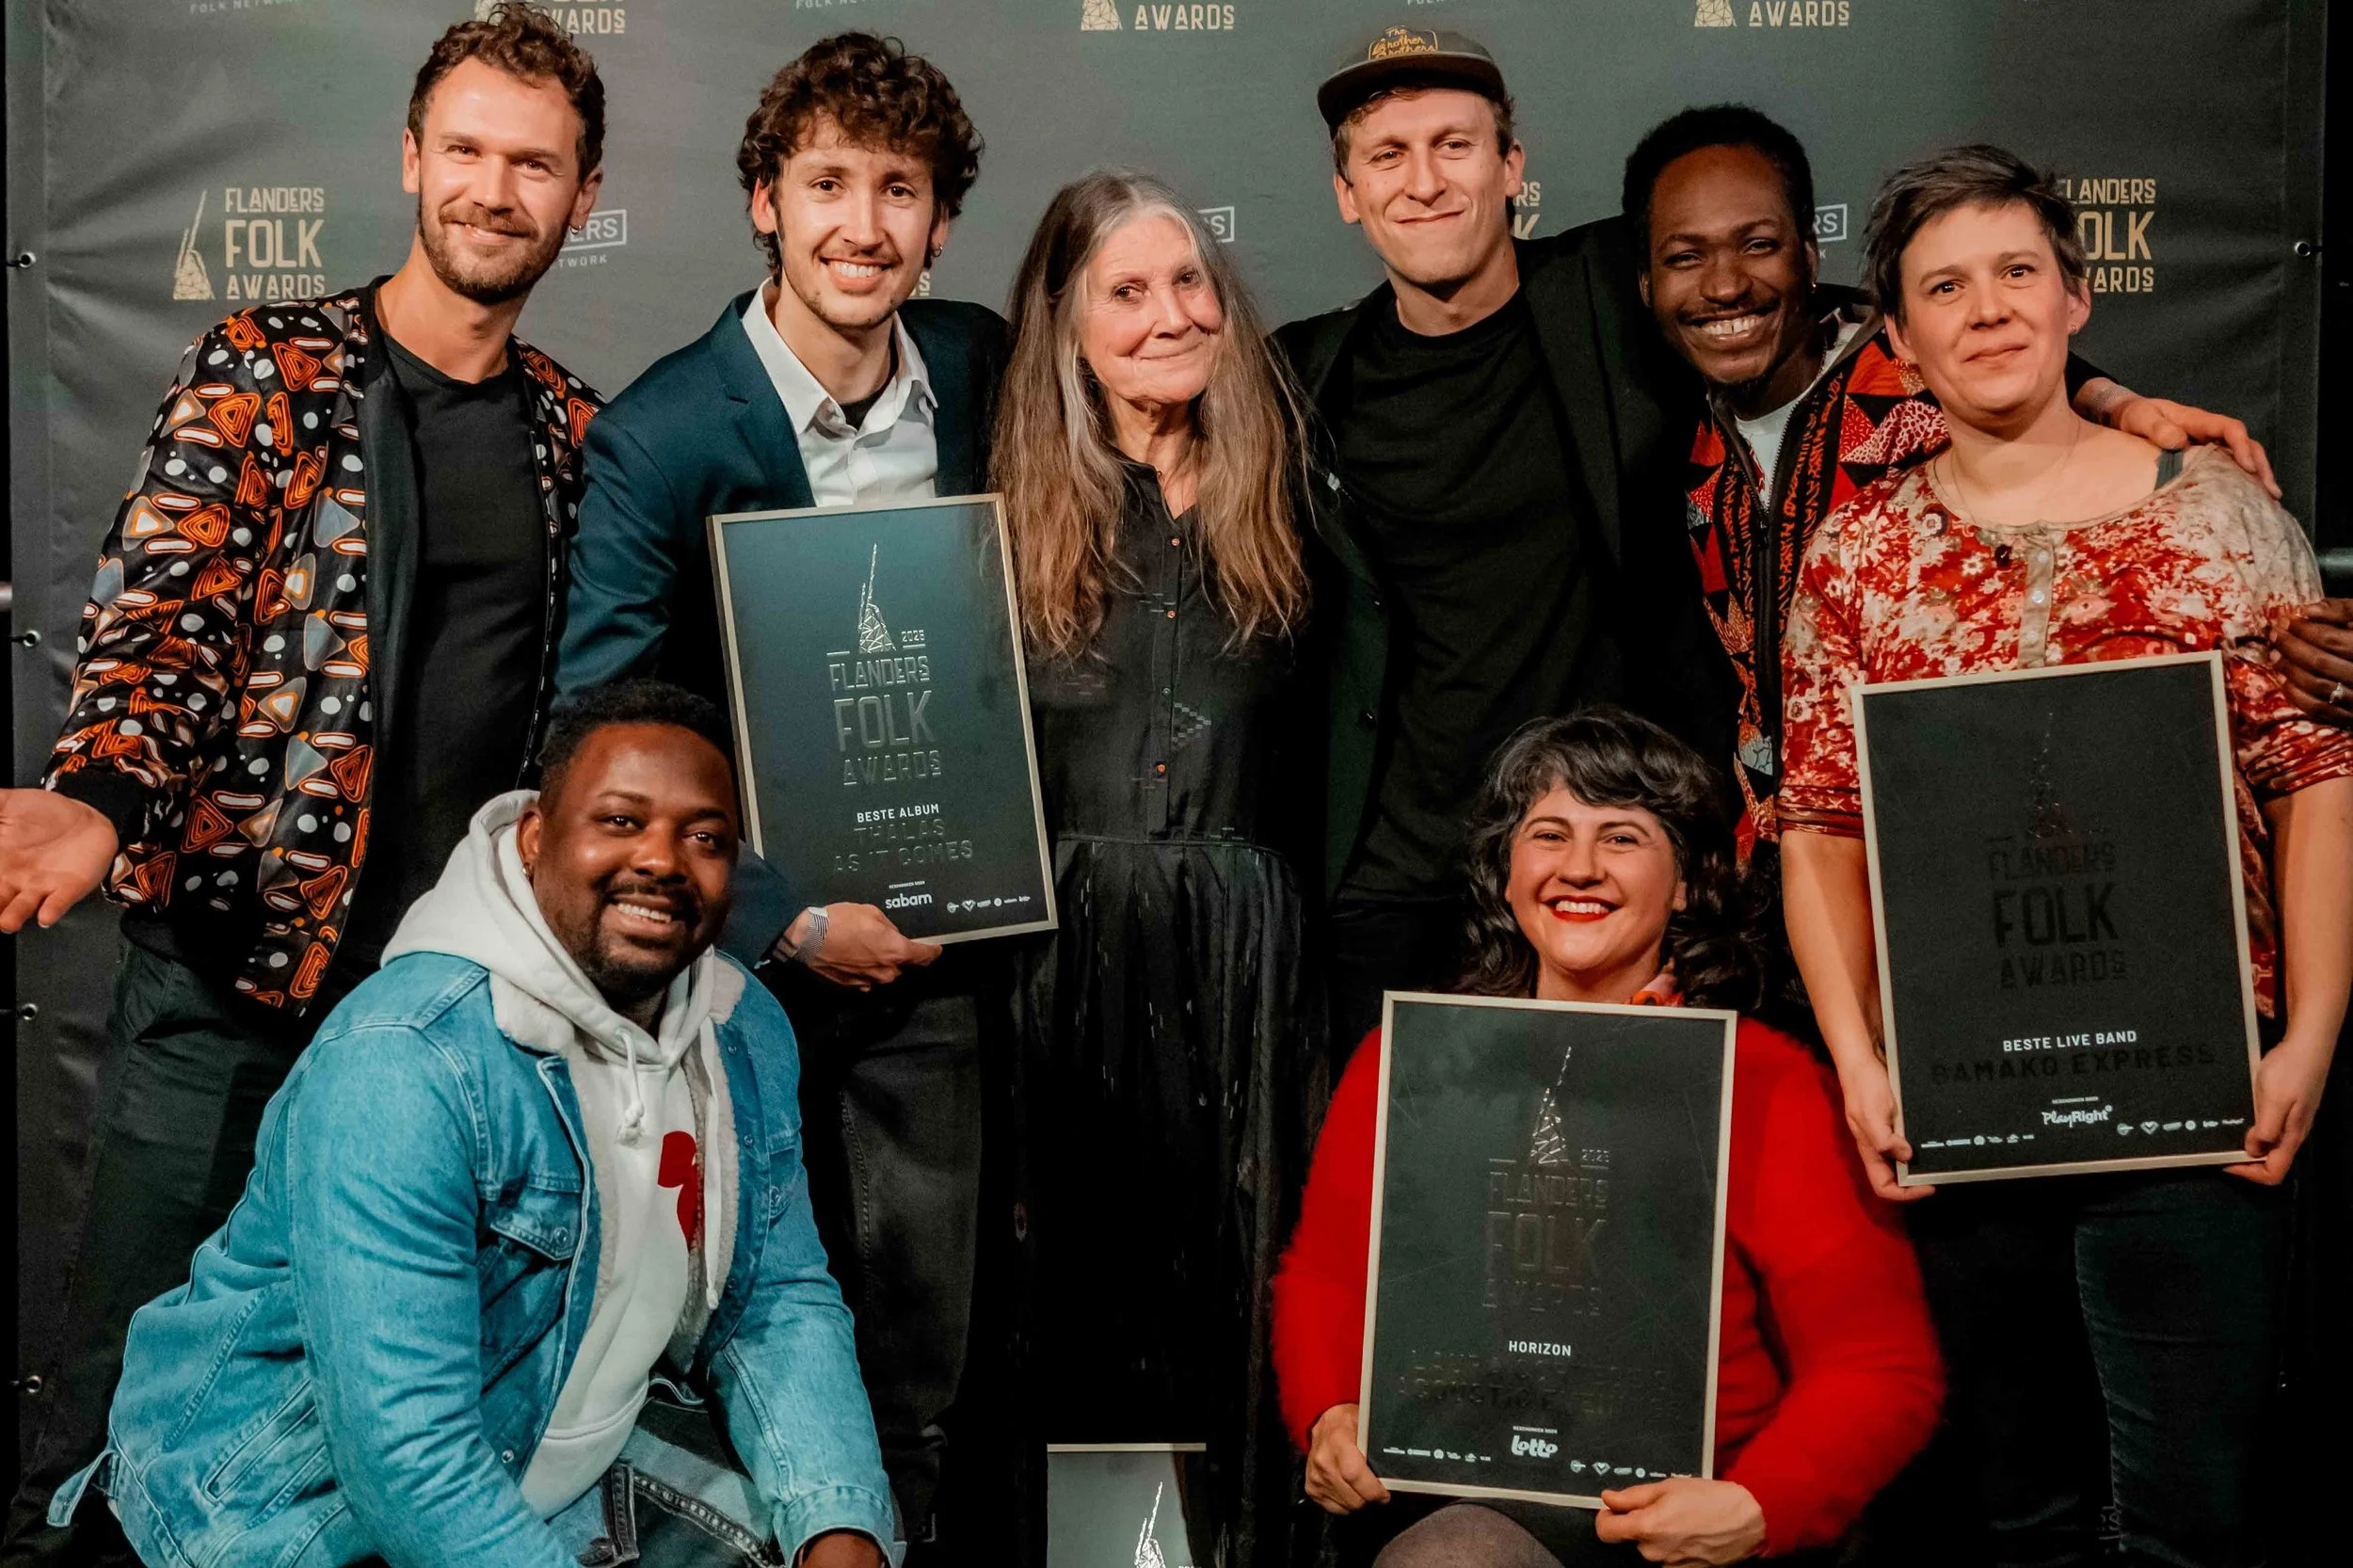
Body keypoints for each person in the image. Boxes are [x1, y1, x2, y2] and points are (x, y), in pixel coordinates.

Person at [1280, 26, 2253, 1049]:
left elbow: (1906, 321)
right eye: (1388, 155)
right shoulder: (1307, 368)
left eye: (1454, 145)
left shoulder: (1608, 283)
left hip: (1630, 856)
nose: (1424, 182)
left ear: (1512, 165)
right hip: (1398, 875)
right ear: (1346, 191)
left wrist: (2108, 398)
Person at [0, 8, 606, 1557]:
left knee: (372, 1442)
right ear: (409, 158)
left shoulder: (574, 435)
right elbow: (169, 624)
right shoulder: (266, 370)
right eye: (464, 149)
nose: (492, 189)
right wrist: (100, 798)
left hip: (440, 1038)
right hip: (232, 994)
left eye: (532, 164)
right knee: (117, 1414)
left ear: (583, 195)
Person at [1778, 144, 2353, 1567]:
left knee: (2191, 1520)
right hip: (1961, 1096)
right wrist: (1859, 1062)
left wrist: (2310, 1034)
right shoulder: (1856, 557)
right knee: (2015, 1514)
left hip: (2201, 1089)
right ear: (1896, 340)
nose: (1987, 311)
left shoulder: (2221, 516)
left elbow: (2314, 783)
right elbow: (1821, 824)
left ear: (2076, 297)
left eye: (2017, 272)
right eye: (1945, 288)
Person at [49, 680, 897, 1568]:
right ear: (534, 837)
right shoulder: (407, 1060)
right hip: (292, 1512)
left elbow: (775, 1297)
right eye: (619, 821)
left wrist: (840, 1524)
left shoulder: (741, 1029)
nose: (662, 859)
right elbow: (406, 1457)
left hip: (557, 1451)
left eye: (706, 838)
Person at [554, 34, 1004, 1548]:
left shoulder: (981, 367)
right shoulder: (664, 432)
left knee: (932, 1350)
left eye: (899, 190)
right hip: (743, 975)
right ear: (765, 201)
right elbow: (598, 729)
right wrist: (789, 919)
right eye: (827, 185)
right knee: (753, 1337)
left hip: (947, 962)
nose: (862, 226)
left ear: (941, 221)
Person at [1273, 709, 1944, 1566]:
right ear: (1506, 875)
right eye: (1548, 834)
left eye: (1622, 838)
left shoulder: (1766, 1084)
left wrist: (1759, 1504)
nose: (1579, 867)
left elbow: (1879, 1363)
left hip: (1685, 1525)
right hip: (1454, 1499)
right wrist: (1329, 1410)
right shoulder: (1410, 1064)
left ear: (1688, 883)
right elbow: (1327, 1275)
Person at [1621, 104, 2289, 860]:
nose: (1724, 286)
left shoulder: (1917, 378)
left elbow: (2016, 371)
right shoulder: (1682, 432)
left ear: (1809, 255)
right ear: (1644, 284)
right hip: (1787, 857)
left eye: (1759, 245)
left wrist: (2113, 400)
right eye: (1685, 258)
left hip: (1975, 841)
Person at [983, 169, 1321, 1565]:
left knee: (1245, 1298)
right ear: (1064, 324)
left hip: (1250, 964)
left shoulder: (1296, 483)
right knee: (1069, 1298)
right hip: (1057, 969)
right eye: (1126, 291)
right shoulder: (999, 511)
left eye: (1190, 282)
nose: (1172, 314)